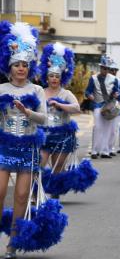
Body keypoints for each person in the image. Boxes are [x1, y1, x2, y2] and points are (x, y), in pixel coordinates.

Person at [0, 22, 47, 259]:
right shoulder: (1, 89)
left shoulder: (37, 91)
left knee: (20, 196)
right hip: (4, 147)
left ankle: (13, 241)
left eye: (25, 65)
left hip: (27, 148)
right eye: (17, 64)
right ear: (10, 66)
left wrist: (27, 112)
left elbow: (45, 119)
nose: (21, 69)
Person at [39, 43, 81, 194]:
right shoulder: (40, 92)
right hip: (43, 135)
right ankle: (37, 193)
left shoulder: (66, 93)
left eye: (57, 76)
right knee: (39, 165)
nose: (54, 79)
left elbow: (77, 108)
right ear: (47, 77)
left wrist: (61, 105)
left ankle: (55, 195)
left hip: (62, 136)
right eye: (51, 76)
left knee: (58, 167)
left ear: (61, 78)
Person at [84, 55, 120, 159]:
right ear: (100, 67)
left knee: (107, 129)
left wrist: (116, 94)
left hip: (109, 106)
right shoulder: (94, 78)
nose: (105, 70)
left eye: (107, 68)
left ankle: (105, 151)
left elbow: (116, 91)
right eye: (104, 68)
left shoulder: (114, 79)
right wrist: (89, 95)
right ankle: (95, 151)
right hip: (97, 105)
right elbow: (88, 91)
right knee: (98, 127)